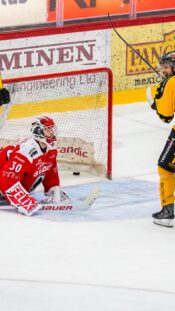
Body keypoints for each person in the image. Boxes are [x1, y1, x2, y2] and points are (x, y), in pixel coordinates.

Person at [0, 116, 61, 216]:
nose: (52, 132)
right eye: (48, 129)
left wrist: (52, 188)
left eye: (52, 128)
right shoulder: (26, 150)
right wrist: (22, 200)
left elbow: (50, 170)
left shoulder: (51, 148)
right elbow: (7, 180)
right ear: (38, 131)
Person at [147, 51, 175, 227]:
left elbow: (166, 116)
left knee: (165, 167)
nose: (162, 70)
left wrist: (155, 103)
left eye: (165, 67)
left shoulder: (171, 82)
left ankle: (167, 212)